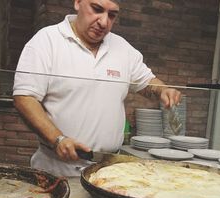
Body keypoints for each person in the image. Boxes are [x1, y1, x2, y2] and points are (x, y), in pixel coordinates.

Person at [12, 0, 181, 176]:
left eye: (112, 15)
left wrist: (163, 90)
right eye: (97, 9)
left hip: (107, 169)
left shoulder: (122, 47)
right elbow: (25, 98)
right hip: (58, 169)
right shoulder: (47, 41)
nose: (104, 22)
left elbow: (147, 81)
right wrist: (57, 139)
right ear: (78, 3)